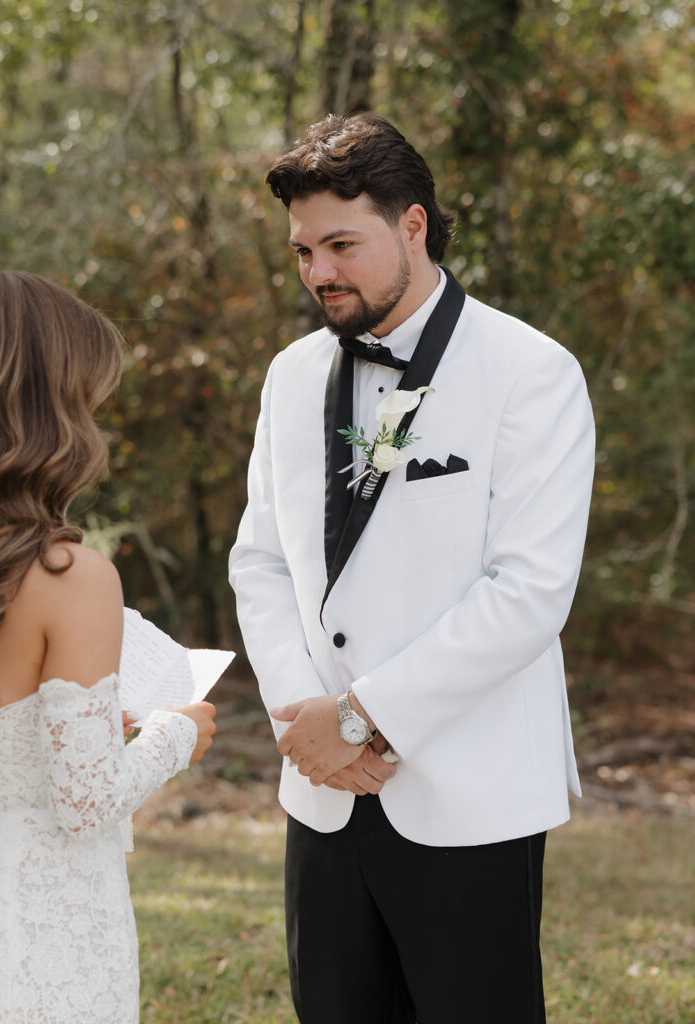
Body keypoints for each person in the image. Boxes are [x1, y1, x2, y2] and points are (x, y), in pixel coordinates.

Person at [229, 112, 595, 1023]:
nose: (318, 272)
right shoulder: (288, 376)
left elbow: (529, 592)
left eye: (340, 245)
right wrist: (304, 721)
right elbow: (261, 560)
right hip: (321, 795)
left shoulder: (531, 371)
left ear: (413, 224)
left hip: (466, 792)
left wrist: (362, 716)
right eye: (302, 251)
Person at [0, 269, 216, 1023]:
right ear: (47, 408)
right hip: (44, 913)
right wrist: (173, 734)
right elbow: (84, 800)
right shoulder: (73, 575)